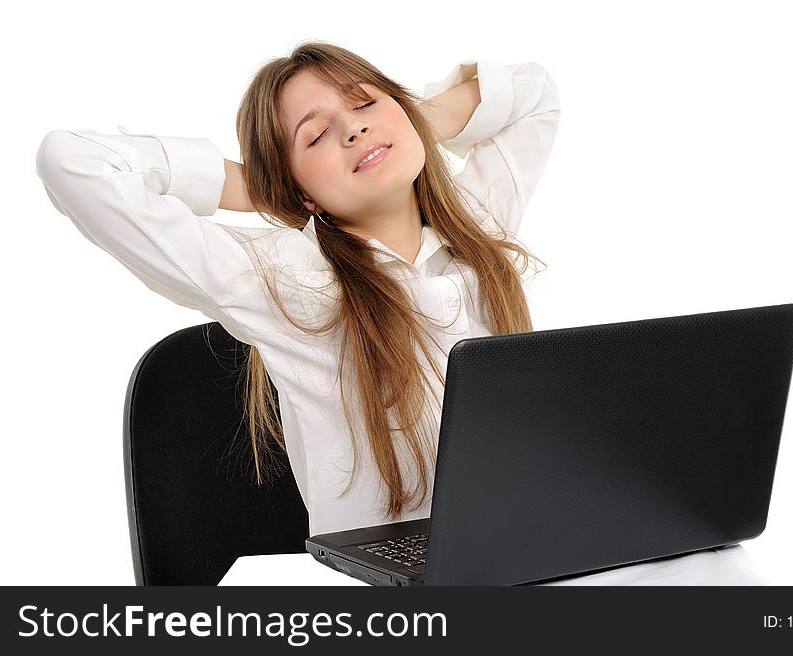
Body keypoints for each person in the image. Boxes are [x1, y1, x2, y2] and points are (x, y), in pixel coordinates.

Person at [35, 40, 561, 537]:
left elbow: (534, 93)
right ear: (298, 188)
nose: (352, 131)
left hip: (527, 541)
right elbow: (71, 162)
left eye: (364, 104)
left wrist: (410, 124)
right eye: (315, 136)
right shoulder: (280, 274)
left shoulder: (476, 221)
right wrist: (253, 187)